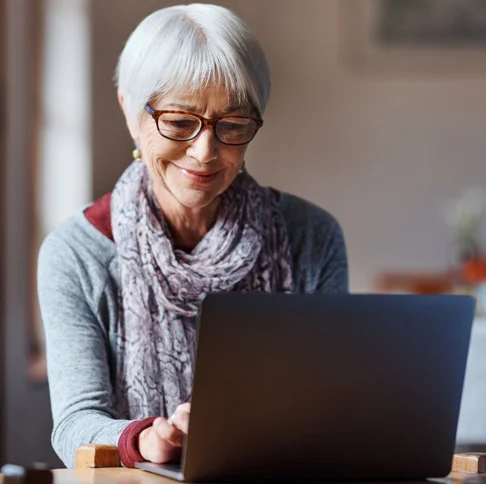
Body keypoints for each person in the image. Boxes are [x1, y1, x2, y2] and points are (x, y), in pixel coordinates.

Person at [37, 3, 348, 469]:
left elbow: (334, 408)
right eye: (180, 122)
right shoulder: (75, 253)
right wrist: (145, 439)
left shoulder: (312, 236)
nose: (205, 152)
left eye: (233, 125)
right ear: (130, 112)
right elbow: (76, 424)